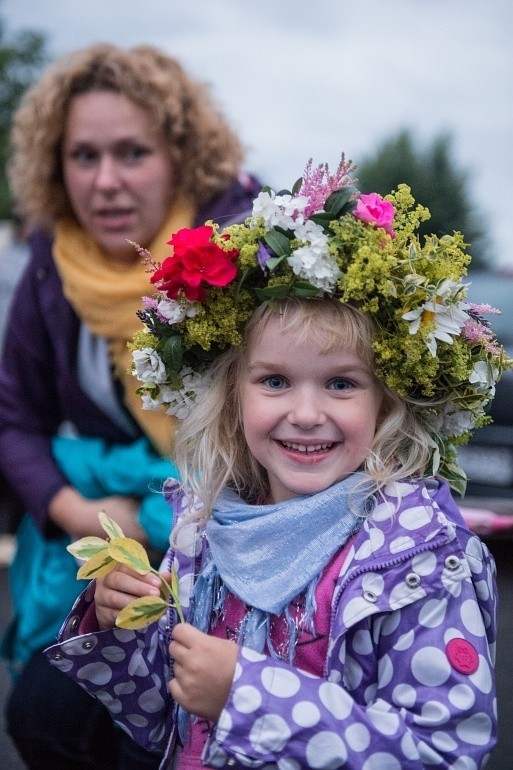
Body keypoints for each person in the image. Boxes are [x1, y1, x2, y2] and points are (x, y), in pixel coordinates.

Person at [45, 158, 503, 768]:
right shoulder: (205, 525)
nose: (307, 413)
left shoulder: (416, 555)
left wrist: (247, 695)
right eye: (276, 381)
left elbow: (443, 752)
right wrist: (126, 631)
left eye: (341, 383)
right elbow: (167, 723)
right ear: (232, 394)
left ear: (387, 397)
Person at [0, 42, 262, 769]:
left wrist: (166, 517)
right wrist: (80, 515)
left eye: (132, 153)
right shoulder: (55, 263)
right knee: (41, 721)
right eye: (84, 156)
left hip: (232, 550)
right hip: (110, 559)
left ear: (182, 154)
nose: (106, 181)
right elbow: (12, 417)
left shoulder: (242, 248)